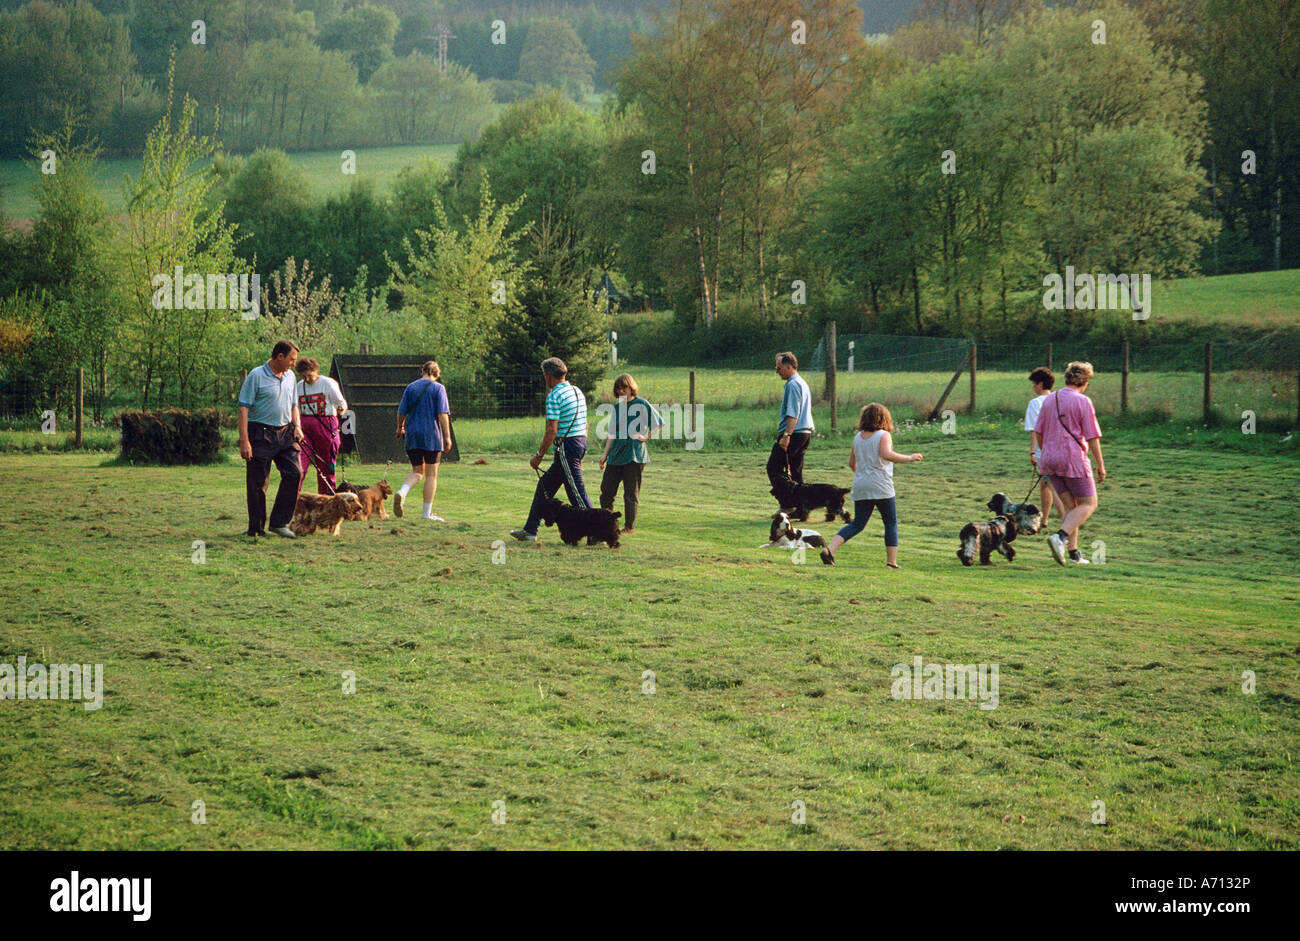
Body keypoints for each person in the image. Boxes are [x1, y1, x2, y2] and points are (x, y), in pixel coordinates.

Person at [819, 403, 922, 568]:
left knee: (857, 524)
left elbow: (851, 463)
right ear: (884, 418)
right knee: (890, 522)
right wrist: (910, 457)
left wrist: (862, 475)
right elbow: (886, 454)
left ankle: (830, 550)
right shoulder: (883, 435)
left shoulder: (858, 437)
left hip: (861, 484)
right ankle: (891, 562)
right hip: (881, 485)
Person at [510, 357, 592, 542]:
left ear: (548, 376)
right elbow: (585, 424)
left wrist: (538, 456)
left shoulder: (554, 396)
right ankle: (530, 530)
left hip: (567, 447)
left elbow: (551, 430)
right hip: (579, 442)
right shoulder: (577, 391)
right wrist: (581, 451)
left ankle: (596, 532)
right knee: (544, 487)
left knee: (577, 493)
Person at [1033, 361, 1107, 566]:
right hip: (1072, 459)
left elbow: (1039, 432)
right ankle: (1061, 537)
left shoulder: (1049, 399)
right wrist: (1100, 464)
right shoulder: (1083, 401)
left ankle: (1073, 554)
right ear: (1085, 380)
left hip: (1049, 459)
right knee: (1089, 504)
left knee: (1070, 507)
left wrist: (1047, 450)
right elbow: (1092, 437)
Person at [237, 340, 304, 538]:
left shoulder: (290, 376)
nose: (294, 363)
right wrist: (244, 440)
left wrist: (297, 426)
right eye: (291, 359)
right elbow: (243, 408)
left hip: (286, 433)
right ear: (280, 357)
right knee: (258, 483)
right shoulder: (256, 376)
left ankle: (279, 522)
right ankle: (256, 528)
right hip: (260, 433)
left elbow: (293, 405)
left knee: (294, 473)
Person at [598, 373, 663, 535]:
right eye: (618, 388)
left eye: (624, 387)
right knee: (606, 491)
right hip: (616, 455)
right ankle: (607, 525)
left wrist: (646, 437)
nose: (621, 391)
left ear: (631, 387)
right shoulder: (617, 407)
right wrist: (605, 454)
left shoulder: (641, 403)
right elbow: (612, 433)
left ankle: (629, 527)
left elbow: (658, 423)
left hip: (634, 455)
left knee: (630, 493)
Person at [394, 361, 452, 521]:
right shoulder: (438, 388)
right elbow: (442, 414)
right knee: (431, 475)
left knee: (417, 471)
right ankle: (427, 513)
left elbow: (401, 412)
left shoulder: (411, 387)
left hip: (412, 434)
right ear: (437, 374)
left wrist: (400, 427)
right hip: (431, 435)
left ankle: (402, 492)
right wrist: (447, 437)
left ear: (423, 371)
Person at [295, 357, 348, 494]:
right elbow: (296, 408)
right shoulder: (299, 386)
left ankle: (327, 501)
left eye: (309, 375)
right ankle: (291, 502)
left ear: (315, 370)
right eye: (303, 376)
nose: (307, 379)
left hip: (325, 425)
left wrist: (341, 409)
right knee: (298, 465)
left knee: (326, 467)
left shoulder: (328, 383)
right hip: (304, 425)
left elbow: (341, 403)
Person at [766, 351, 815, 486]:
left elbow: (793, 413)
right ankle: (801, 504)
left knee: (774, 468)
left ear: (789, 367)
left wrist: (787, 436)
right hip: (805, 433)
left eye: (778, 368)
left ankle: (786, 502)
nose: (777, 371)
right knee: (795, 472)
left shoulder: (792, 385)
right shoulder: (802, 383)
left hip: (794, 433)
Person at [1024, 366, 1064, 529]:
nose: (1033, 387)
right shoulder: (1059, 399)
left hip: (1045, 451)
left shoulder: (1035, 403)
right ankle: (1045, 520)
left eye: (1034, 384)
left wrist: (1033, 452)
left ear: (1040, 384)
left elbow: (1034, 430)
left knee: (1053, 488)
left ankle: (1067, 524)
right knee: (1047, 485)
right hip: (1063, 448)